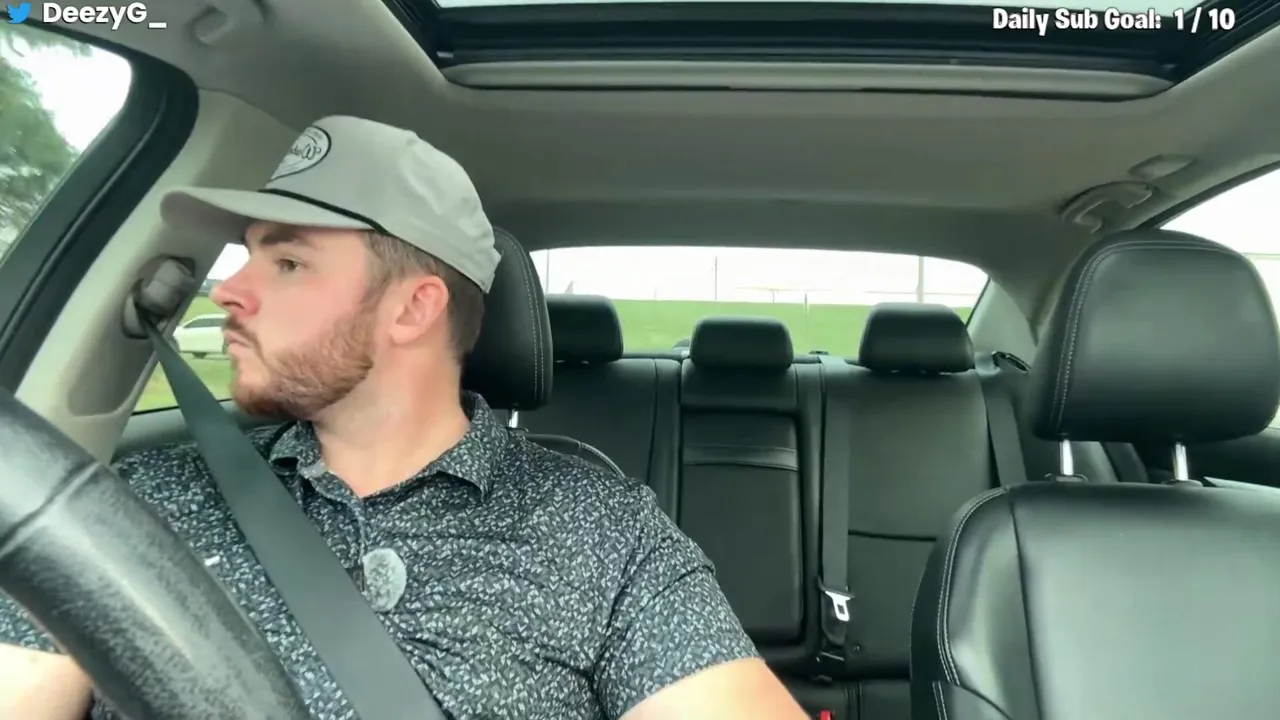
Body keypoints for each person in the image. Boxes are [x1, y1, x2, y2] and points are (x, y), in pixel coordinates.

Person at [0, 115, 808, 720]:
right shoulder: (138, 503)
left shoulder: (600, 533)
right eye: (246, 255)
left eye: (287, 260)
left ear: (413, 308)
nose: (230, 290)